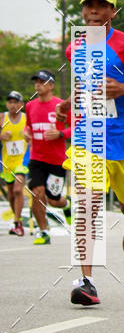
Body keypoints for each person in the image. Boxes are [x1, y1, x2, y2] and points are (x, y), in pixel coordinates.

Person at [58, 0, 124, 305]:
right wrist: (68, 102)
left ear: (112, 12)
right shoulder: (74, 48)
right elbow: (85, 88)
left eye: (100, 6)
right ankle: (86, 280)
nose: (92, 11)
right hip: (88, 137)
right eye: (88, 6)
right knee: (87, 204)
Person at [24, 70, 72, 245]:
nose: (37, 84)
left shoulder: (61, 105)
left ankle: (66, 204)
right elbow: (28, 127)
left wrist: (60, 133)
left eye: (42, 81)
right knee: (37, 193)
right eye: (36, 81)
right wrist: (26, 134)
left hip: (57, 160)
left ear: (51, 85)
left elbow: (76, 127)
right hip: (36, 158)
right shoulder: (30, 106)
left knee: (53, 200)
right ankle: (43, 231)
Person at [1, 91, 30, 236]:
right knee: (11, 194)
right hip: (7, 162)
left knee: (18, 190)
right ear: (7, 104)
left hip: (23, 160)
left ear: (21, 105)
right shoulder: (2, 118)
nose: (13, 105)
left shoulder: (26, 118)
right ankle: (17, 220)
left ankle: (17, 222)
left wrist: (29, 137)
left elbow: (33, 135)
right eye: (10, 102)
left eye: (16, 102)